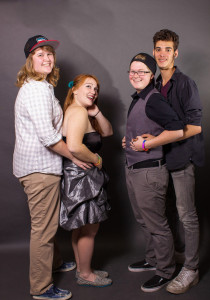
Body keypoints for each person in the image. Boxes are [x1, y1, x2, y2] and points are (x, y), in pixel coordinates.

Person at [13, 35, 88, 300]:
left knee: (46, 223)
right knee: (43, 230)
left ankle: (54, 263)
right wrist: (76, 156)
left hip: (42, 168)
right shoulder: (34, 90)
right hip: (39, 170)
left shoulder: (42, 87)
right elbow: (48, 137)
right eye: (40, 54)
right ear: (29, 60)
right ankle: (41, 288)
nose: (47, 58)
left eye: (49, 53)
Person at [122, 53, 184, 292]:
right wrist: (129, 142)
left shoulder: (154, 99)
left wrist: (148, 145)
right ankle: (153, 259)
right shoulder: (139, 97)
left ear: (151, 75)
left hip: (149, 173)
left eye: (142, 71)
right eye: (133, 70)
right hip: (133, 168)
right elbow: (147, 128)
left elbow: (178, 130)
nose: (136, 75)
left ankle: (165, 271)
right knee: (143, 220)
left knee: (157, 225)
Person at [152, 29, 205, 294]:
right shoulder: (153, 84)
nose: (163, 54)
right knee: (167, 213)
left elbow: (195, 127)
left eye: (167, 49)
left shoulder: (185, 84)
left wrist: (158, 139)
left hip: (182, 157)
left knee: (187, 214)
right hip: (159, 159)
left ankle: (191, 269)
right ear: (154, 52)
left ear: (176, 53)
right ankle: (174, 258)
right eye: (158, 49)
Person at [59, 74, 113, 287]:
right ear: (74, 90)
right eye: (88, 86)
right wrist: (96, 158)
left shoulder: (79, 111)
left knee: (80, 227)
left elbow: (108, 131)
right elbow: (74, 146)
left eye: (96, 88)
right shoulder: (78, 112)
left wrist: (96, 111)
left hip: (77, 176)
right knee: (89, 228)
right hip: (83, 177)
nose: (93, 91)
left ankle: (83, 269)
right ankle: (87, 274)